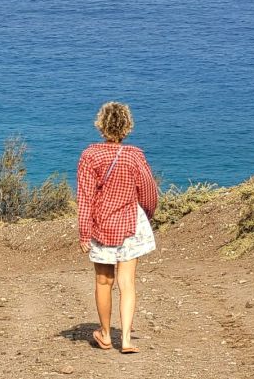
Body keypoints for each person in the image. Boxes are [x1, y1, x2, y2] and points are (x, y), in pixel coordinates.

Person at [77, 101, 158, 354]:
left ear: (101, 126)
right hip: (131, 223)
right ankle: (125, 339)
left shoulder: (90, 155)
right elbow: (148, 192)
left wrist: (83, 231)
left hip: (102, 225)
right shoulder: (135, 155)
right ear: (127, 127)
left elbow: (85, 197)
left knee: (103, 281)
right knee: (127, 283)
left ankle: (104, 334)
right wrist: (147, 214)